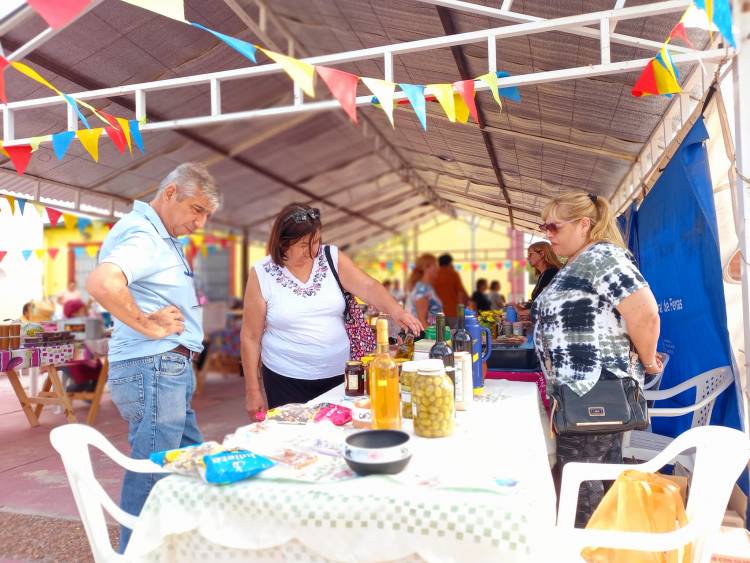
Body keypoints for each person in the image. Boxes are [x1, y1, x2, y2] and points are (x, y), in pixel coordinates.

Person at [86, 162, 221, 552]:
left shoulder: (157, 236)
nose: (201, 222)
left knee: (190, 464)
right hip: (155, 365)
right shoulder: (145, 235)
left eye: (206, 215)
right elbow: (102, 283)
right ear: (170, 194)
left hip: (164, 366)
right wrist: (148, 325)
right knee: (154, 467)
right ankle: (132, 553)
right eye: (197, 210)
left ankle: (189, 547)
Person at [531, 192, 662, 527]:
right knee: (599, 482)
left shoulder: (602, 257)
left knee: (579, 489)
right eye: (544, 226)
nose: (548, 233)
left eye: (554, 226)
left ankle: (585, 548)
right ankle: (608, 546)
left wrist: (648, 364)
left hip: (591, 392)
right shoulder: (579, 261)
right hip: (580, 391)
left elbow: (645, 313)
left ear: (584, 224)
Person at [241, 203, 422, 417]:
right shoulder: (262, 273)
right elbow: (250, 337)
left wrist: (397, 311)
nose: (312, 251)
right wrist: (252, 390)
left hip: (340, 374)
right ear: (282, 242)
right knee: (292, 441)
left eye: (316, 241)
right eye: (303, 244)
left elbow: (368, 286)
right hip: (284, 378)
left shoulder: (331, 258)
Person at [61, 299, 102, 393]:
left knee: (102, 371)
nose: (85, 312)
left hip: (84, 358)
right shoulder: (69, 325)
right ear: (74, 313)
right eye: (83, 310)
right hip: (72, 361)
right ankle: (68, 393)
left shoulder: (83, 323)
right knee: (83, 381)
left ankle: (90, 394)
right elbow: (77, 345)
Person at [405, 253, 443, 327]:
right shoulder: (422, 289)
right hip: (426, 336)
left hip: (433, 333)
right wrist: (431, 337)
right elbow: (422, 321)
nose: (437, 268)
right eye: (435, 265)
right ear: (426, 267)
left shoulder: (427, 287)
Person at [433, 253, 468, 327]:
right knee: (453, 334)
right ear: (449, 263)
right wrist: (462, 310)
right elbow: (460, 293)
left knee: (440, 335)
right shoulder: (454, 274)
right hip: (453, 311)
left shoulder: (435, 274)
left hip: (438, 312)